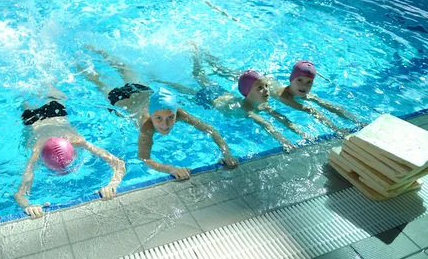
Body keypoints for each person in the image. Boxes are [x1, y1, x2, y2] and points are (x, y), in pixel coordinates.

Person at [80, 46, 238, 181]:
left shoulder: (179, 113)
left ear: (175, 112)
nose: (165, 124)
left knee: (123, 67)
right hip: (121, 101)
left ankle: (102, 52)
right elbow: (144, 158)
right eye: (159, 119)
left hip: (141, 89)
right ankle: (83, 59)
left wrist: (227, 153)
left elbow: (209, 128)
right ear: (151, 115)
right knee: (98, 81)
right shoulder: (146, 126)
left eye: (171, 117)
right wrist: (170, 169)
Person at [160, 45, 308, 153]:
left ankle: (196, 56)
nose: (266, 91)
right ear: (247, 93)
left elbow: (281, 118)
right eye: (260, 88)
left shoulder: (262, 105)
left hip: (221, 93)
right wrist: (284, 141)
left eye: (266, 86)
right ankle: (161, 80)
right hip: (209, 99)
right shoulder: (248, 110)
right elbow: (266, 125)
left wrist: (301, 133)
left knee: (200, 77)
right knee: (188, 91)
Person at [14, 86, 126, 218]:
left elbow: (118, 163)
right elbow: (118, 163)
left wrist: (112, 185)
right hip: (38, 115)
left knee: (27, 92)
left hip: (42, 114)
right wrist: (28, 207)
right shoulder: (38, 149)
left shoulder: (75, 140)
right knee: (40, 88)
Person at [266, 60, 362, 129]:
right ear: (291, 79)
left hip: (288, 88)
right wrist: (336, 129)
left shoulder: (301, 90)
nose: (304, 85)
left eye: (309, 82)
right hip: (268, 84)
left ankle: (358, 121)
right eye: (299, 80)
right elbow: (309, 110)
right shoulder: (284, 96)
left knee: (321, 102)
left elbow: (329, 106)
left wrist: (357, 121)